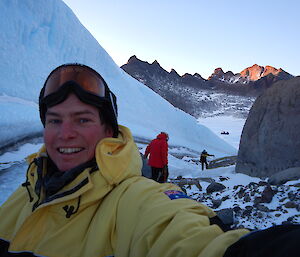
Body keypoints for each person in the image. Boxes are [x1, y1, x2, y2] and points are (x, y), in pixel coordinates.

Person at [0, 64, 299, 257]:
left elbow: (183, 233)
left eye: (82, 119)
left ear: (109, 130)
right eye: (54, 120)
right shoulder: (25, 192)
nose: (65, 133)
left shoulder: (131, 200)